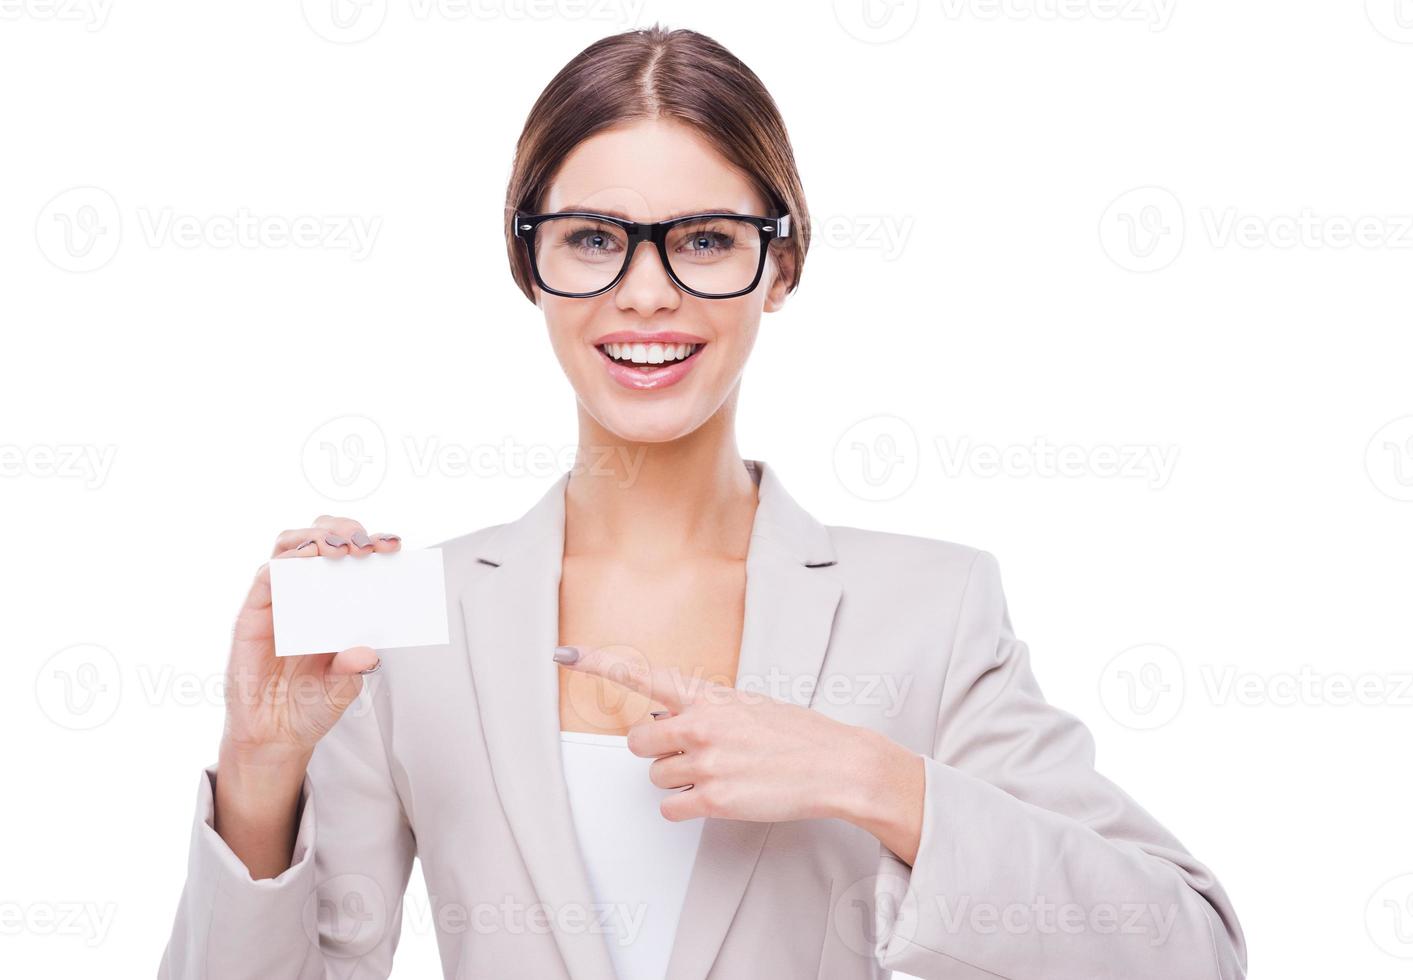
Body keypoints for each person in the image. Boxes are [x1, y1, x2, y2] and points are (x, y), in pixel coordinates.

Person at [159, 24, 1247, 980]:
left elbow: (1188, 948)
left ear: (780, 266)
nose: (645, 290)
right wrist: (259, 772)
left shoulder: (929, 605)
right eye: (591, 236)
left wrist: (870, 775)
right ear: (526, 261)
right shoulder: (402, 617)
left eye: (705, 240)